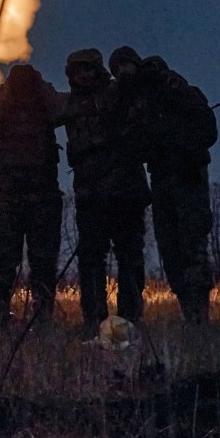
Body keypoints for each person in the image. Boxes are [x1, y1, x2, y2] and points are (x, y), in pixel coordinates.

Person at [60, 48, 150, 336]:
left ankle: (130, 319)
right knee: (91, 258)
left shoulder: (118, 94)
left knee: (130, 256)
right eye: (77, 71)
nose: (83, 75)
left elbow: (137, 128)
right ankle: (94, 320)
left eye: (88, 69)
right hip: (90, 196)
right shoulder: (70, 104)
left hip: (124, 193)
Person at [0, 64, 65, 326]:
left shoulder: (45, 103)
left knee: (44, 264)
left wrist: (40, 90)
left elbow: (62, 110)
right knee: (3, 264)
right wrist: (7, 96)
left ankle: (42, 318)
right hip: (9, 198)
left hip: (42, 197)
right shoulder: (3, 104)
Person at [132, 52, 218, 323]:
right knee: (171, 250)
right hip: (163, 181)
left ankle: (198, 317)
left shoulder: (179, 92)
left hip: (187, 178)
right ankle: (189, 313)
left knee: (192, 247)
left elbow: (206, 132)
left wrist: (179, 144)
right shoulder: (144, 105)